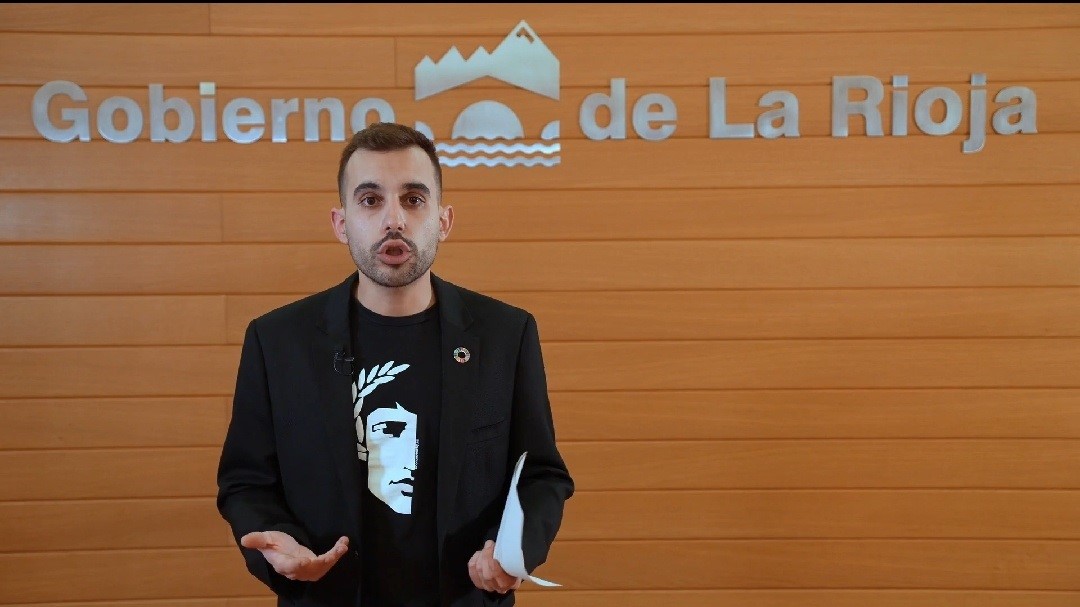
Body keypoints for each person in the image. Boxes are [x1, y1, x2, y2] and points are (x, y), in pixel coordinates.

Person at [216, 122, 575, 607]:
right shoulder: (277, 341)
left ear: (443, 220)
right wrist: (277, 540)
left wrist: (512, 550)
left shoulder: (505, 335)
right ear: (341, 223)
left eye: (413, 199)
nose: (394, 219)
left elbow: (541, 475)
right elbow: (245, 481)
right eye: (370, 200)